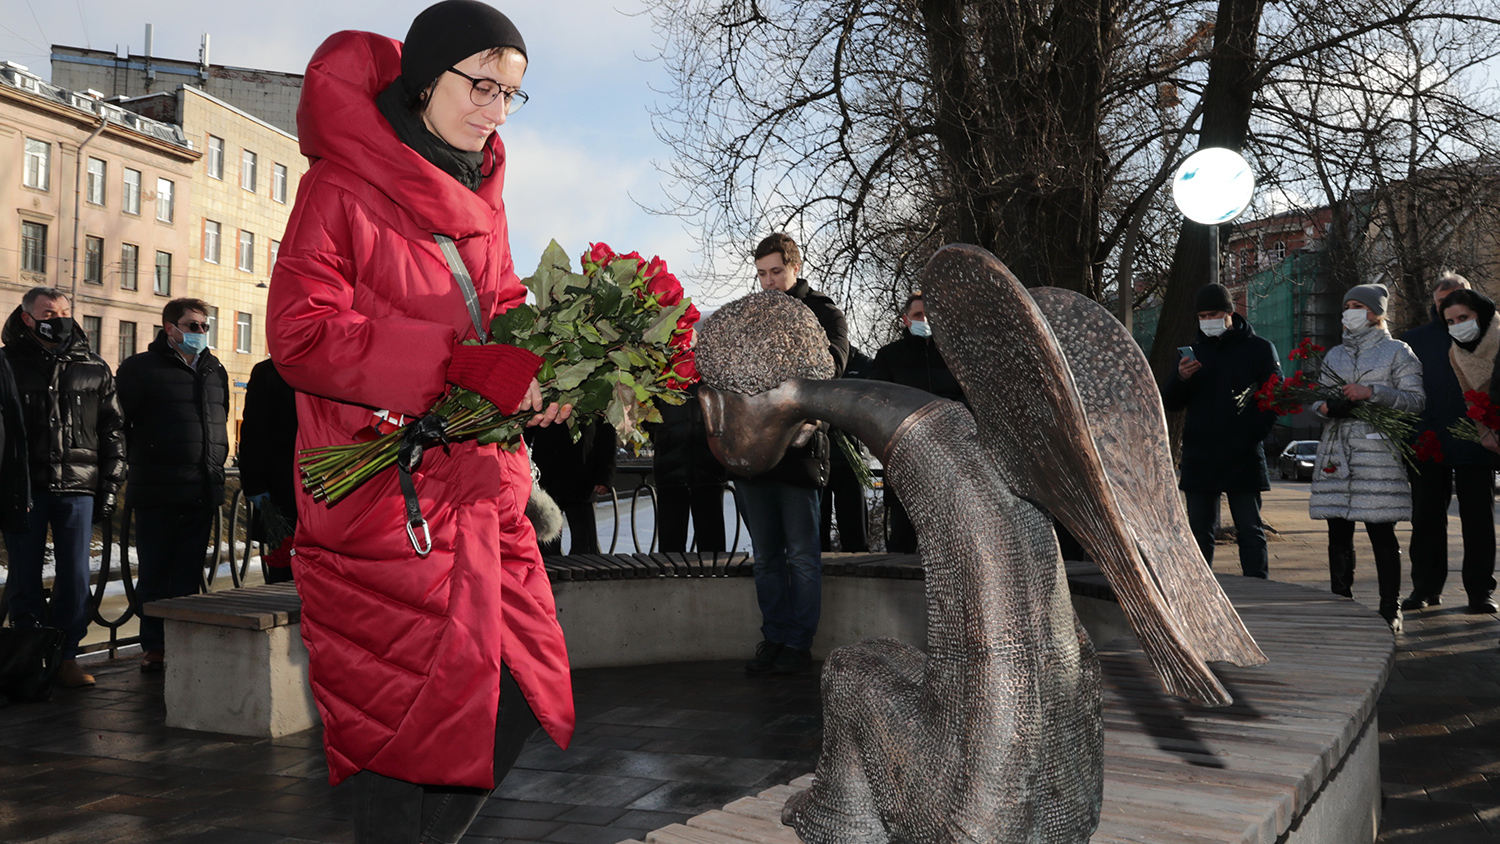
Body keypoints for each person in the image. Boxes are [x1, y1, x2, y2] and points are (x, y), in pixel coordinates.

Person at [265, 4, 575, 841]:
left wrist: (540, 373)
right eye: (481, 84)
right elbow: (299, 335)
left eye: (512, 93)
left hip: (481, 489)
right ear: (425, 77)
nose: (495, 109)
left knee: (512, 691)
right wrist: (450, 366)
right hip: (386, 500)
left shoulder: (485, 192)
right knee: (402, 729)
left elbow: (501, 309)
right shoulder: (338, 185)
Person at [736, 232, 849, 675]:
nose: (768, 282)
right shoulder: (749, 316)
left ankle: (799, 643)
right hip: (752, 454)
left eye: (776, 272)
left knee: (802, 554)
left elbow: (833, 368)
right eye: (761, 274)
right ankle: (775, 637)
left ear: (795, 267)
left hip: (800, 455)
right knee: (765, 556)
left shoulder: (823, 312)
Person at [1, 287, 125, 688]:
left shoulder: (93, 366)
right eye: (49, 312)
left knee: (74, 577)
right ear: (27, 318)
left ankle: (66, 656)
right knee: (24, 576)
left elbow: (113, 431)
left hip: (77, 488)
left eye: (65, 311)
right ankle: (28, 658)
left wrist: (109, 484)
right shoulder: (6, 364)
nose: (59, 319)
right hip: (25, 488)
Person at [116, 297, 228, 672]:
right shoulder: (139, 369)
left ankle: (182, 641)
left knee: (187, 572)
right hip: (157, 488)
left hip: (202, 487)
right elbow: (119, 424)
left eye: (204, 326)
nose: (199, 332)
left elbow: (218, 422)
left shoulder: (215, 370)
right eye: (192, 325)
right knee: (155, 571)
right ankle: (156, 647)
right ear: (170, 328)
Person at [1308, 283, 1424, 632]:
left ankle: (1391, 607)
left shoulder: (1397, 352)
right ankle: (1340, 600)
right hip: (1337, 455)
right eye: (1347, 306)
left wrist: (1371, 393)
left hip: (1377, 456)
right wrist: (1327, 407)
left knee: (1381, 533)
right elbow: (1316, 400)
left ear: (1376, 313)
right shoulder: (1335, 355)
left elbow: (1416, 401)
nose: (1350, 312)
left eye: (1358, 306)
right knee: (1337, 533)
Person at [1160, 283, 1280, 578]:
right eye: (1201, 315)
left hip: (1243, 453)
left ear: (1229, 312)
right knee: (1200, 529)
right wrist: (1180, 378)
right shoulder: (1193, 353)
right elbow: (1171, 403)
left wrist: (1252, 434)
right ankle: (1200, 588)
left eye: (1212, 313)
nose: (1207, 321)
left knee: (1249, 528)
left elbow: (1274, 397)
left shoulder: (1259, 348)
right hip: (1201, 453)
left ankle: (1257, 587)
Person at [868, 293, 967, 553]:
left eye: (929, 315)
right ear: (905, 320)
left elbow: (971, 402)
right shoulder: (888, 357)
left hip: (949, 462)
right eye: (918, 315)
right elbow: (877, 405)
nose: (924, 320)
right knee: (903, 542)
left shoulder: (954, 357)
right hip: (905, 463)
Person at [238, 358, 299, 584]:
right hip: (282, 491)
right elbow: (253, 433)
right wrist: (255, 486)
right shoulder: (269, 372)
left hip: (320, 489)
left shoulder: (325, 368)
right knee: (285, 570)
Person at [649, 381, 727, 553]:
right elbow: (647, 416)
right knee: (671, 547)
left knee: (711, 546)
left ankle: (713, 577)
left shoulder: (711, 374)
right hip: (674, 466)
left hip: (707, 467)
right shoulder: (664, 374)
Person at [526, 421, 615, 556]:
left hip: (581, 477)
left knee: (585, 547)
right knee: (546, 547)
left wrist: (605, 477)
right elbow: (525, 431)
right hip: (548, 478)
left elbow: (606, 436)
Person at [821, 345, 871, 553]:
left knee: (855, 533)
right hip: (817, 457)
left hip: (851, 456)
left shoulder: (862, 365)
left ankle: (860, 576)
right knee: (815, 534)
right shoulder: (808, 358)